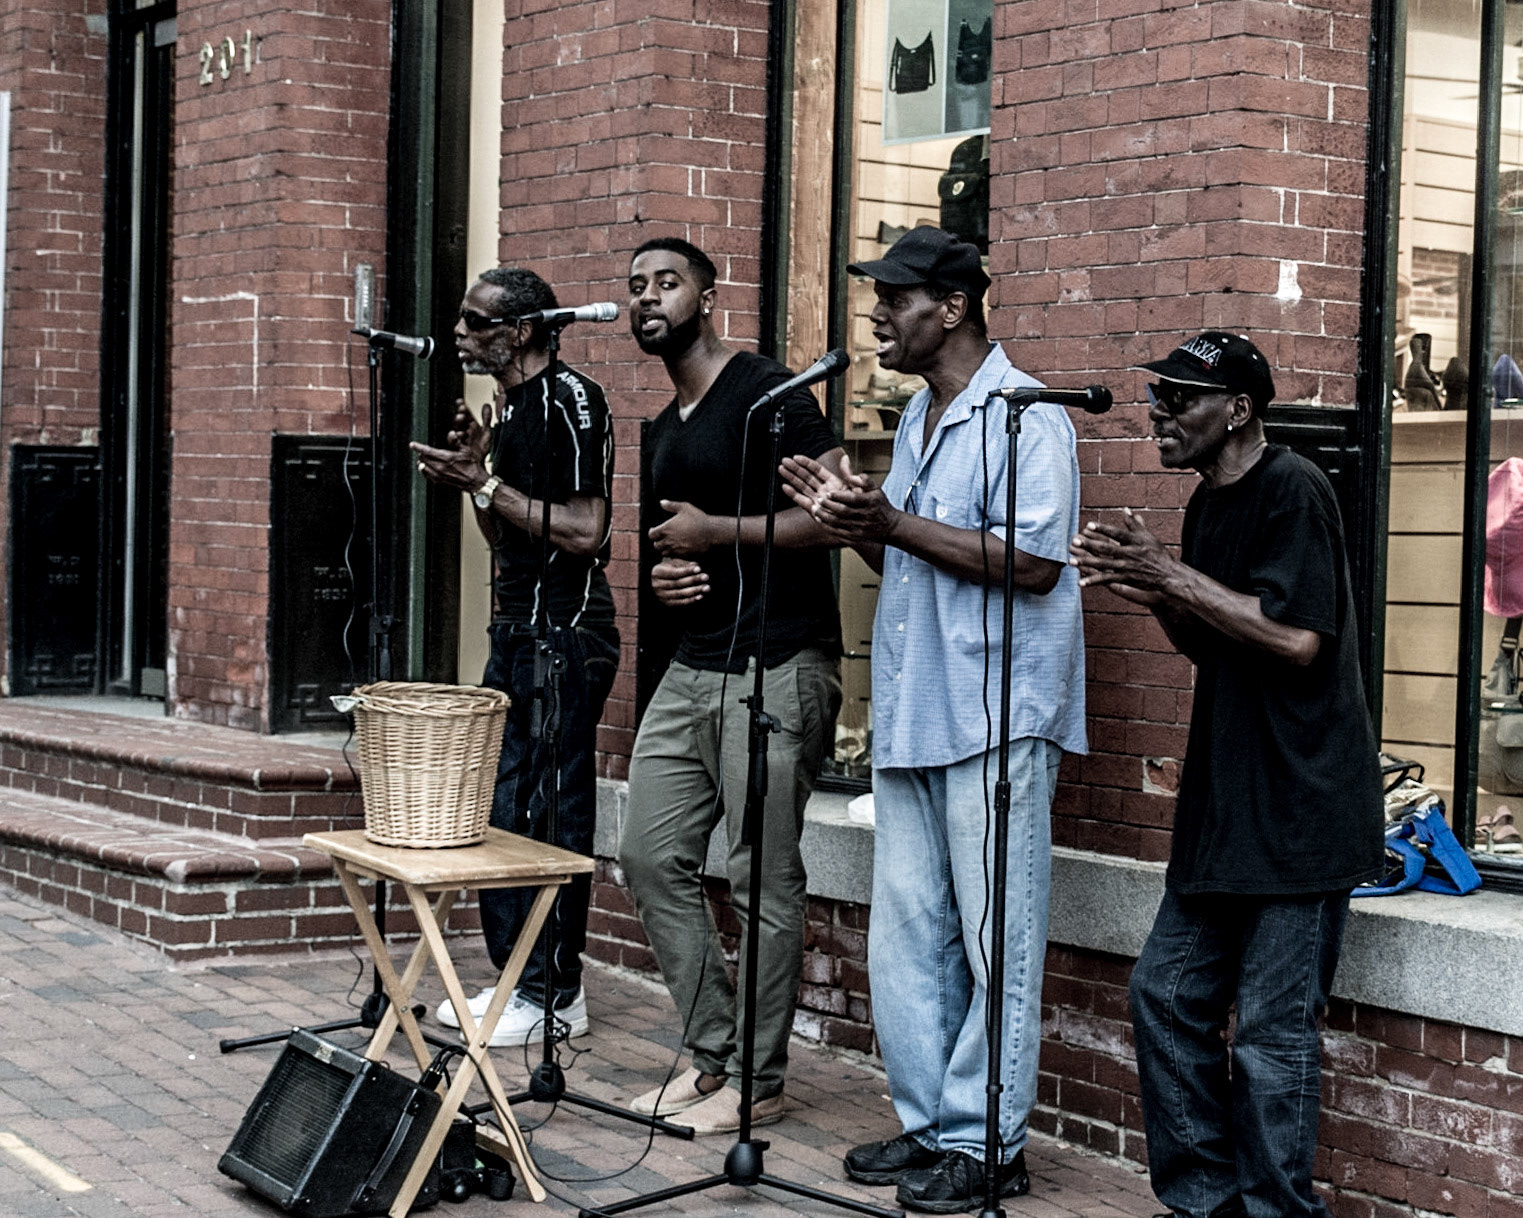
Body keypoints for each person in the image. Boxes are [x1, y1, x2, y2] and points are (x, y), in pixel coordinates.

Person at [781, 226, 1086, 1212]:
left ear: (949, 307)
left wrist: (887, 522)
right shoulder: (917, 419)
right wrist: (853, 524)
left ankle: (988, 1144)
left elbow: (1035, 565)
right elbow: (912, 554)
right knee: (906, 939)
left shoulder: (1027, 417)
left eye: (893, 298)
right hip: (916, 712)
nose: (876, 315)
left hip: (994, 719)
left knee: (999, 939)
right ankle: (929, 1128)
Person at [1068, 331, 1384, 1218]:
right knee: (1164, 995)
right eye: (1157, 395)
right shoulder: (1207, 504)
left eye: (1179, 398)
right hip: (1226, 804)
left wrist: (1169, 575)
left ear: (1237, 409)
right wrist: (1158, 589)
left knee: (1271, 1036)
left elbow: (1294, 638)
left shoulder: (1294, 489)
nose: (1158, 412)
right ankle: (1206, 1203)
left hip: (1302, 804)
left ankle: (1277, 1212)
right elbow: (1216, 643)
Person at [616, 236, 844, 1137]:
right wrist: (668, 575)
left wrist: (722, 533)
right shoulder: (659, 429)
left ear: (709, 298)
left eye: (667, 283)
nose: (648, 299)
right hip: (694, 665)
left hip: (779, 664)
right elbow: (671, 551)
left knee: (760, 878)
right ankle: (715, 1053)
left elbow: (832, 515)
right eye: (635, 287)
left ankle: (757, 1080)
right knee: (645, 853)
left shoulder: (770, 393)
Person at [410, 267, 618, 1047]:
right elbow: (507, 534)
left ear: (523, 330)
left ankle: (554, 995)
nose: (458, 333)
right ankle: (522, 980)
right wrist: (478, 481)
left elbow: (586, 531)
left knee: (546, 814)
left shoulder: (572, 399)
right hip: (519, 630)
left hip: (562, 635)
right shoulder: (513, 407)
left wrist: (485, 480)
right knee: (503, 809)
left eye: (474, 321)